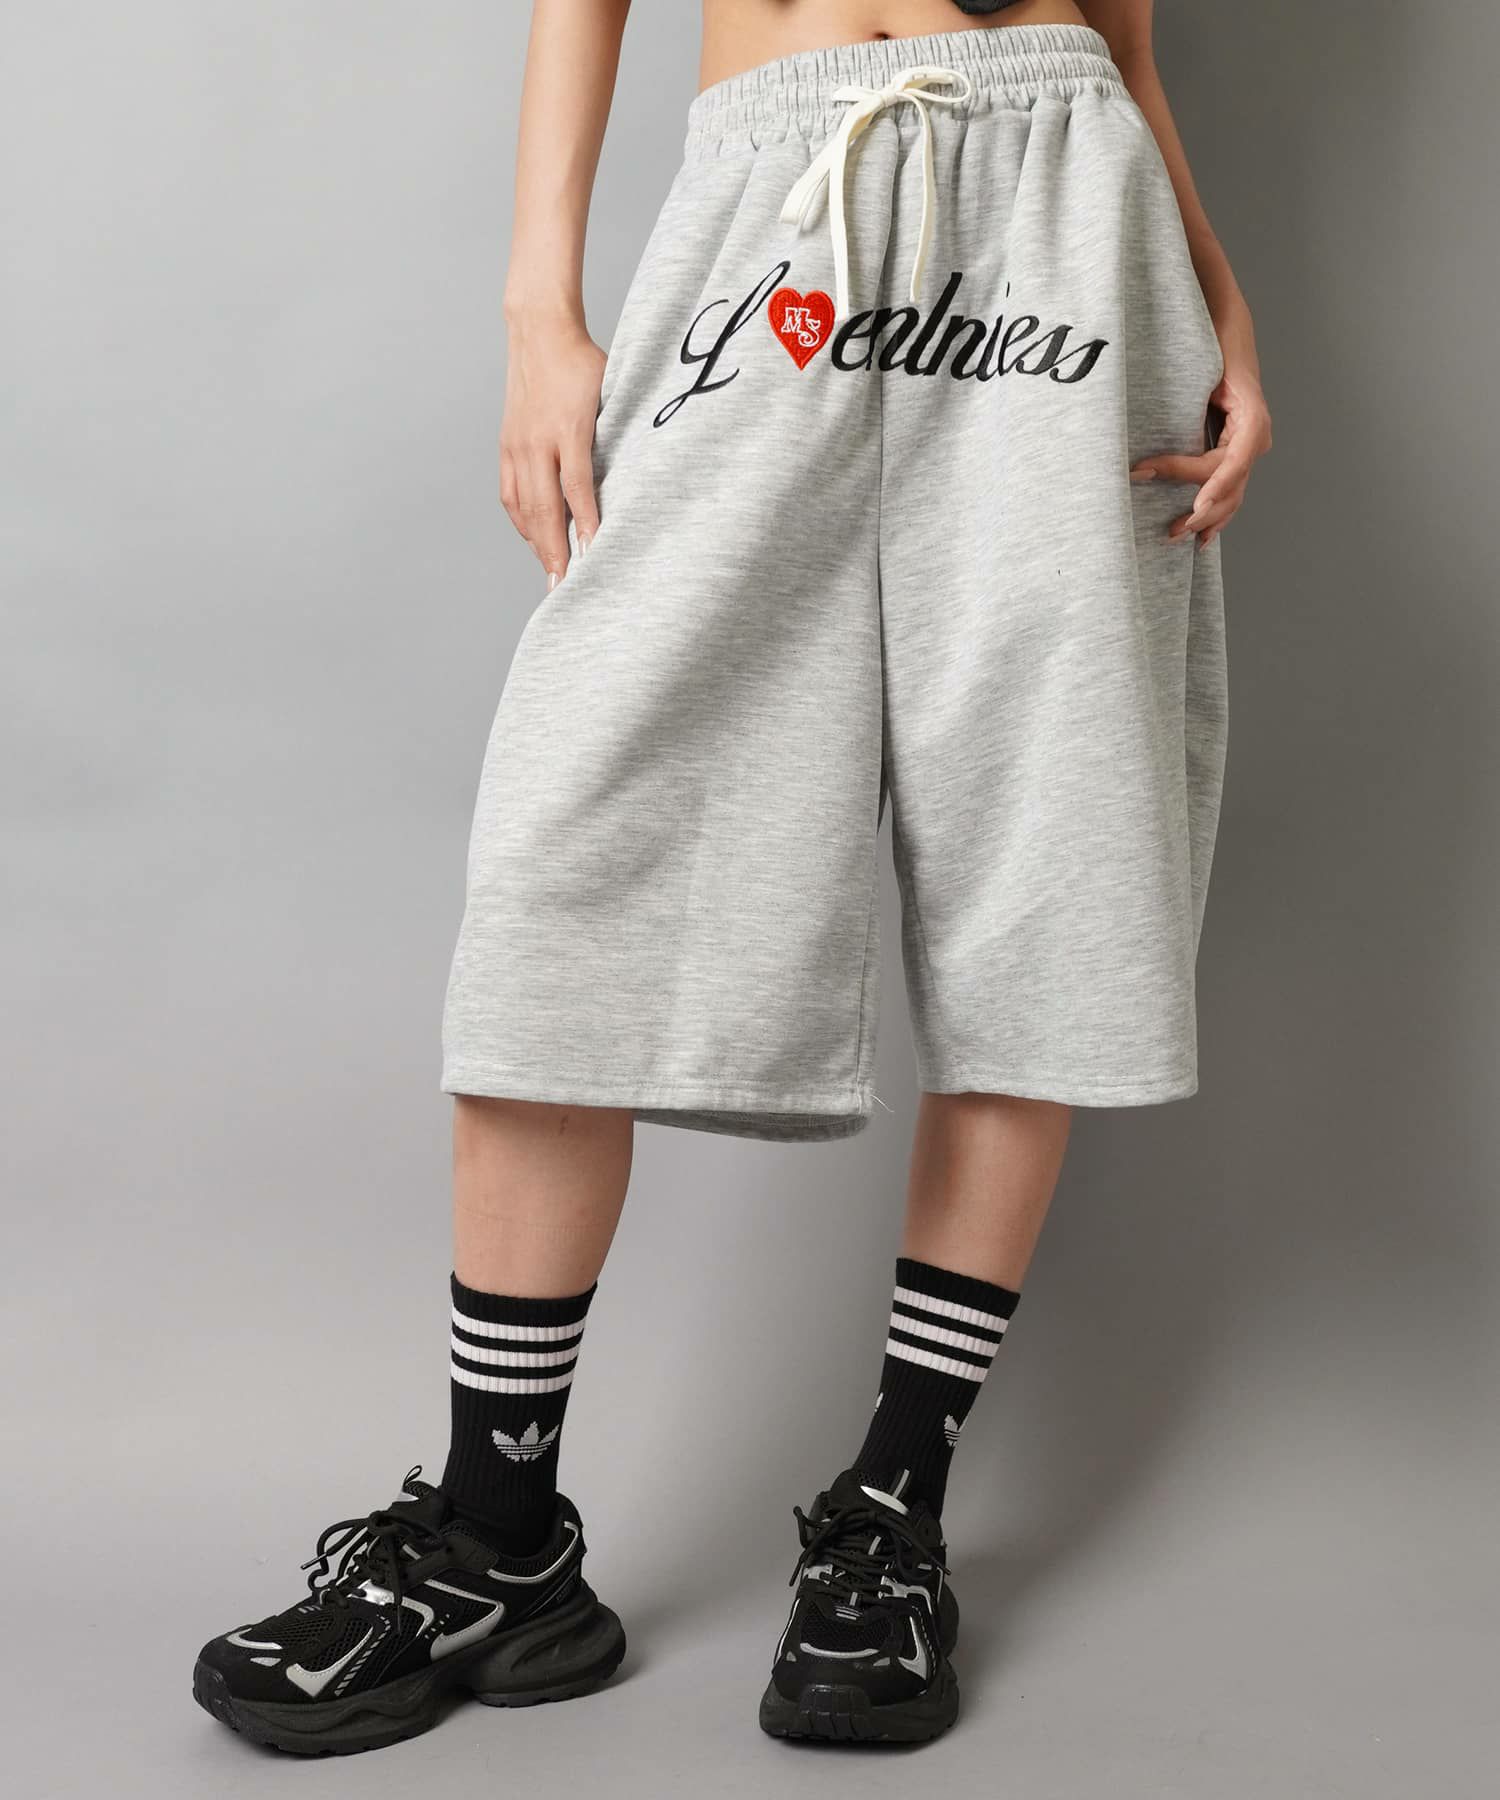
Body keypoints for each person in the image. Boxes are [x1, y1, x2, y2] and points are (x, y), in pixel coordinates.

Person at [193, 0, 1270, 1755]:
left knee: (1042, 869)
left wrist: (1222, 304)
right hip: (777, 198)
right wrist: (539, 312)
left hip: (1073, 231)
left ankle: (890, 1517)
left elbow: (1127, 36)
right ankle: (497, 1534)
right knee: (570, 862)